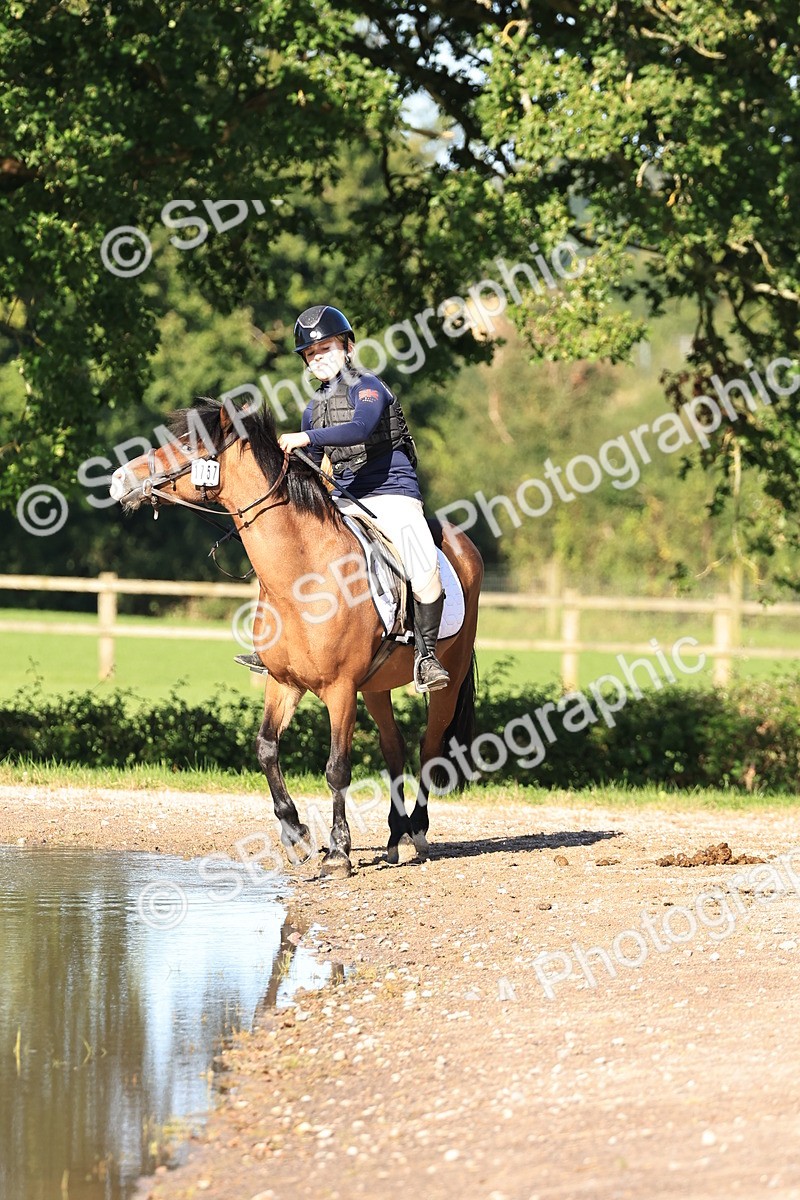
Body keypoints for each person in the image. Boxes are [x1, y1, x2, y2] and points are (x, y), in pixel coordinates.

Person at [277, 304, 450, 693]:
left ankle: (426, 658)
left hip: (391, 494)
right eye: (309, 354)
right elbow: (312, 467)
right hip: (345, 497)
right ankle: (281, 646)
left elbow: (360, 427)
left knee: (422, 564)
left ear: (348, 347)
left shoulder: (369, 386)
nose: (316, 359)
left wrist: (306, 438)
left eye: (325, 349)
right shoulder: (312, 409)